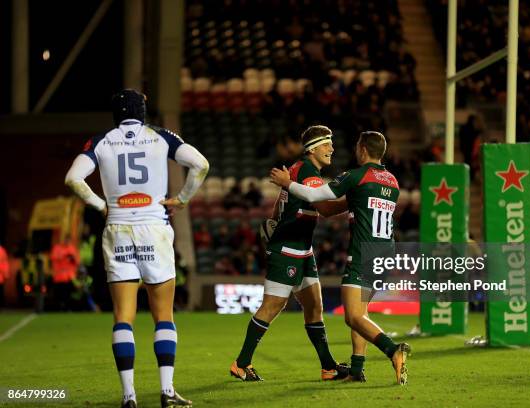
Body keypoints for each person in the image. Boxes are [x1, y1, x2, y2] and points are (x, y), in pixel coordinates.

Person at [65, 89, 208, 408]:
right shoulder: (161, 137)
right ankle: (167, 391)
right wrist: (182, 199)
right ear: (143, 111)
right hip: (154, 227)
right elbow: (200, 164)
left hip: (117, 228)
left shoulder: (101, 141)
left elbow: (73, 178)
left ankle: (128, 396)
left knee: (123, 317)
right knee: (163, 316)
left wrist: (102, 205)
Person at [270, 131, 410, 385]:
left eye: (357, 145)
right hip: (386, 252)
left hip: (363, 253)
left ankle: (393, 350)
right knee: (362, 312)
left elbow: (315, 196)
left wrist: (286, 183)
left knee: (353, 316)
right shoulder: (392, 181)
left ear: (363, 149)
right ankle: (357, 369)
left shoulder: (356, 176)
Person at [230, 125, 349, 381]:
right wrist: (357, 197)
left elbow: (276, 210)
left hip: (301, 250)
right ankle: (241, 363)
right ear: (313, 148)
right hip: (288, 248)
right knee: (273, 306)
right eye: (327, 144)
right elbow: (326, 209)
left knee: (314, 306)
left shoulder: (297, 169)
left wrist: (276, 226)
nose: (332, 149)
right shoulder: (308, 172)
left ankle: (328, 367)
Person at [50, 236, 80, 310]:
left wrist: (72, 258)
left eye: (68, 240)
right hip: (59, 277)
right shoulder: (57, 248)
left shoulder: (72, 248)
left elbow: (77, 261)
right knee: (59, 295)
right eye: (66, 240)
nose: (67, 242)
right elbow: (54, 257)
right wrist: (65, 256)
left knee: (68, 294)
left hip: (69, 277)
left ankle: (67, 308)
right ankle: (59, 308)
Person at [0, 242, 9, 307]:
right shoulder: (2, 250)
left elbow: (4, 263)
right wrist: (6, 274)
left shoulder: (1, 250)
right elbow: (5, 263)